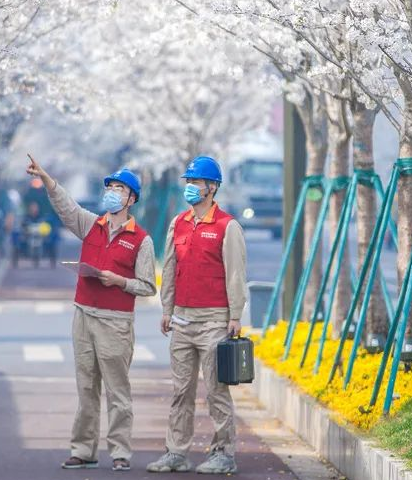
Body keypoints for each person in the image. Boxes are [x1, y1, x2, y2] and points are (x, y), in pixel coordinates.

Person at [26, 154, 157, 472]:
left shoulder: (141, 240)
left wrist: (119, 281)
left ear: (131, 198)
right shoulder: (91, 225)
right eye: (110, 187)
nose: (112, 192)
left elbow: (147, 286)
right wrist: (46, 178)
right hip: (83, 315)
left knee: (117, 390)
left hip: (116, 322)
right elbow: (66, 207)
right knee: (86, 387)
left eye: (119, 188)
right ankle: (83, 449)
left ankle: (121, 452)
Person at [147, 156, 247, 475]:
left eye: (196, 182)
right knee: (180, 390)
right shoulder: (178, 224)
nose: (191, 187)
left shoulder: (227, 226)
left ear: (212, 187)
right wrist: (167, 309)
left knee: (216, 388)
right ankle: (176, 452)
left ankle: (223, 453)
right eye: (188, 182)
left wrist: (235, 315)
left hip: (215, 319)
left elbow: (235, 274)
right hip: (182, 320)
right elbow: (172, 268)